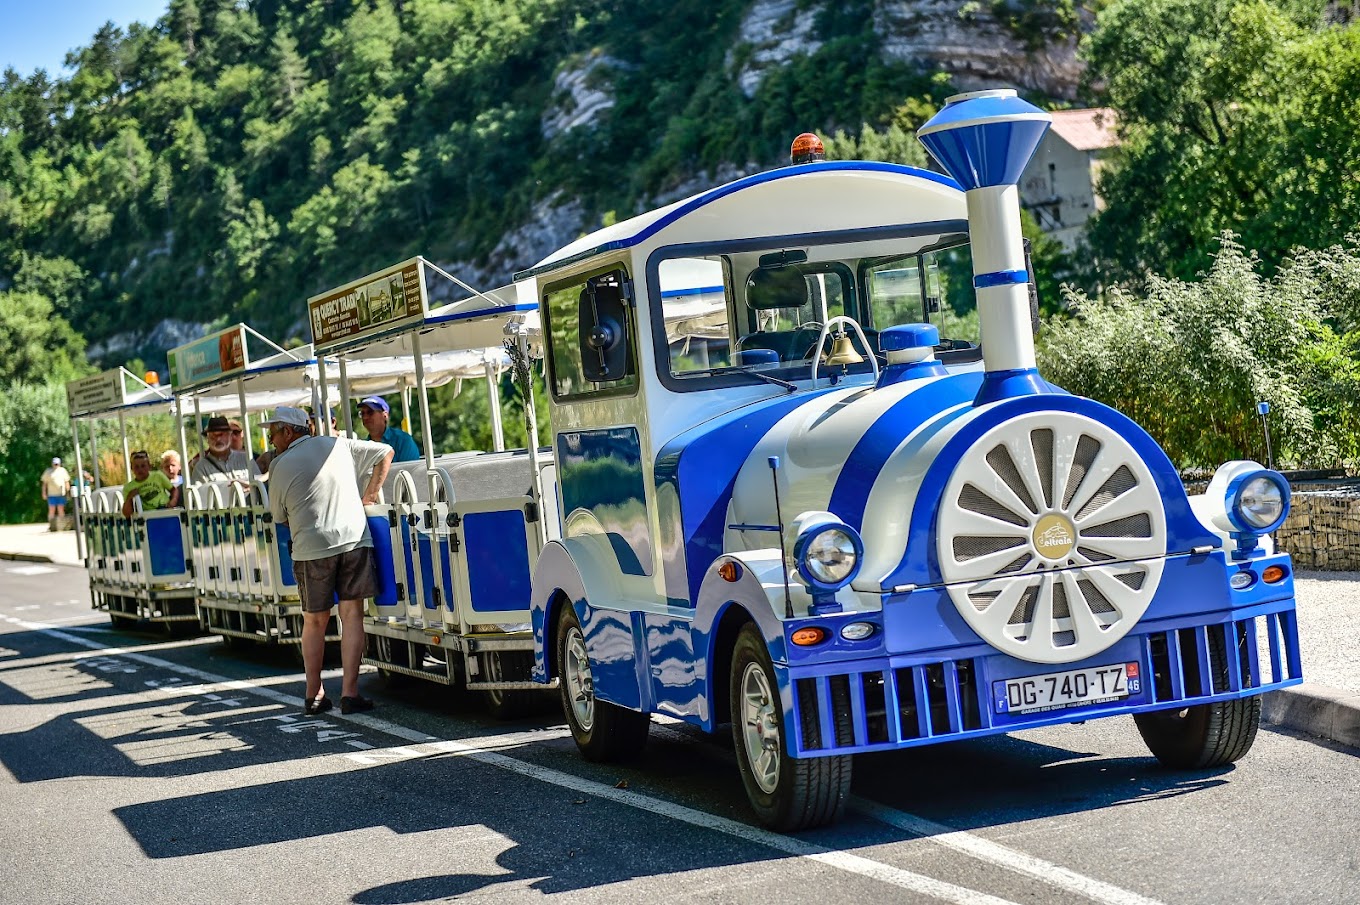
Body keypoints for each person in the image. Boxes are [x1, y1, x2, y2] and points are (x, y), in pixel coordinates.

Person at [263, 405, 394, 715]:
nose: (272, 443)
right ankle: (350, 693)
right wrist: (369, 497)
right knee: (352, 616)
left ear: (288, 432)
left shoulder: (279, 465)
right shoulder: (337, 444)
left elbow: (279, 516)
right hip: (352, 538)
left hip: (311, 548)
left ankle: (314, 693)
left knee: (315, 620)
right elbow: (385, 451)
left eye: (272, 436)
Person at [191, 415, 260, 485]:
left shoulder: (245, 459)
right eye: (213, 436)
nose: (218, 439)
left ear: (229, 436)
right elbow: (199, 493)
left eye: (221, 435)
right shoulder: (201, 468)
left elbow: (259, 484)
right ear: (207, 439)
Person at [357, 396, 421, 462]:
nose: (365, 417)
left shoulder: (403, 440)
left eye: (370, 412)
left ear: (385, 415)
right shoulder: (363, 447)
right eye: (362, 413)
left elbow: (410, 470)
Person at [121, 450, 174, 517]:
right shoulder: (128, 487)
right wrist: (130, 497)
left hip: (165, 510)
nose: (140, 470)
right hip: (147, 516)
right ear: (132, 468)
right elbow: (127, 514)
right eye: (136, 467)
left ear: (149, 466)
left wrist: (172, 502)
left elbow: (173, 490)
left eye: (143, 466)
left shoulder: (158, 475)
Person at [40, 457, 71, 531]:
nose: (56, 465)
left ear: (59, 464)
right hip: (51, 494)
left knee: (61, 509)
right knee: (51, 510)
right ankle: (51, 525)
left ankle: (62, 525)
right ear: (52, 464)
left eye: (57, 464)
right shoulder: (48, 471)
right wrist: (44, 493)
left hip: (61, 494)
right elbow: (44, 483)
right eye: (54, 464)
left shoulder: (63, 471)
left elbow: (67, 482)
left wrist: (68, 492)